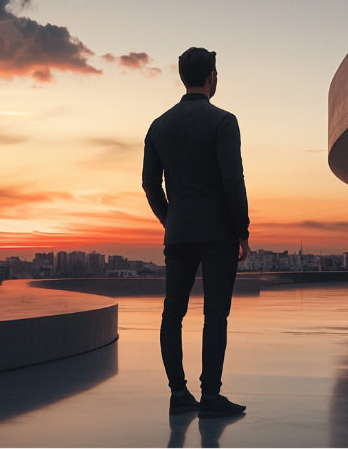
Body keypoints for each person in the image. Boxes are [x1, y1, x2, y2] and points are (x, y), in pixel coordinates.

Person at [142, 47, 250, 419]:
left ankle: (178, 393)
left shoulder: (159, 126)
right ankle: (211, 397)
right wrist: (242, 230)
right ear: (212, 77)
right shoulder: (224, 121)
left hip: (179, 232)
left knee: (173, 314)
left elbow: (149, 184)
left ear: (183, 76)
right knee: (215, 315)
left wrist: (169, 218)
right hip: (219, 232)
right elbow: (232, 179)